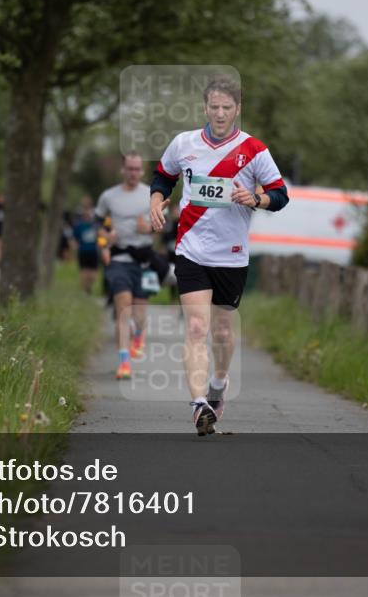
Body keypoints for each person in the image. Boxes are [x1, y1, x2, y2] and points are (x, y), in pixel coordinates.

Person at [149, 76, 289, 436]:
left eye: (228, 107)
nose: (221, 113)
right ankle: (199, 406)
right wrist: (155, 202)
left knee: (223, 333)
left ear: (238, 109)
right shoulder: (184, 143)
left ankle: (219, 382)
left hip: (232, 254)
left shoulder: (254, 150)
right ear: (205, 107)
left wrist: (255, 199)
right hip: (191, 249)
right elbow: (163, 177)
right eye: (214, 107)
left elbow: (280, 194)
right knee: (196, 327)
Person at [96, 153, 157, 379]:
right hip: (119, 259)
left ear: (142, 171)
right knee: (123, 305)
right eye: (129, 168)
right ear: (123, 169)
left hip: (143, 260)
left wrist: (149, 229)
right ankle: (124, 362)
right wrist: (104, 243)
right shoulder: (108, 197)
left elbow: (164, 224)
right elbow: (98, 224)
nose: (133, 173)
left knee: (139, 313)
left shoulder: (152, 194)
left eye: (137, 169)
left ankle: (138, 334)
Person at [71, 196, 100, 294]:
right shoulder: (79, 225)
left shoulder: (95, 224)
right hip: (83, 250)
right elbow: (74, 237)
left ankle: (88, 286)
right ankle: (85, 290)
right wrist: (74, 245)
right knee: (84, 272)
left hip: (93, 250)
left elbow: (100, 236)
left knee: (93, 275)